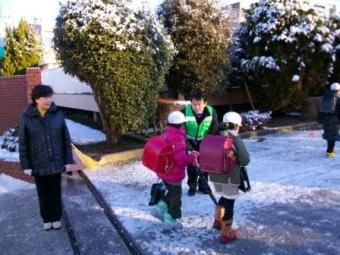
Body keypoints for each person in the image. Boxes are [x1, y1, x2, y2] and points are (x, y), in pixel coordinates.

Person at [19, 84, 73, 231]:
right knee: (43, 193)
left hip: (56, 161)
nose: (48, 100)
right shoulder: (26, 117)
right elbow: (23, 143)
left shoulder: (58, 114)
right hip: (38, 163)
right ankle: (46, 218)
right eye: (45, 97)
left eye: (50, 97)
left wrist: (68, 160)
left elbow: (66, 138)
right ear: (36, 99)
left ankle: (56, 217)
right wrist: (26, 165)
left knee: (55, 192)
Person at [151, 111, 199, 228]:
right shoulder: (178, 139)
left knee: (172, 193)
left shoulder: (166, 134)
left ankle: (159, 208)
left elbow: (174, 153)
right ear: (181, 125)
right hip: (174, 175)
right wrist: (192, 156)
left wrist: (188, 152)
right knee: (176, 198)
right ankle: (171, 219)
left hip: (165, 173)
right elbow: (181, 160)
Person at [209, 111, 250, 243]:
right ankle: (226, 233)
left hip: (215, 175)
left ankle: (217, 221)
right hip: (230, 177)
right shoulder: (234, 138)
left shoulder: (213, 134)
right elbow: (245, 160)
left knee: (224, 197)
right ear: (236, 126)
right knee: (230, 202)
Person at [182, 91, 219, 196]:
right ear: (190, 103)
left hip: (205, 142)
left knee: (204, 165)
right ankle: (192, 186)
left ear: (205, 103)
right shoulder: (184, 112)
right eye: (194, 104)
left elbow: (214, 129)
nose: (196, 107)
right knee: (192, 166)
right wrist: (189, 147)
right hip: (190, 142)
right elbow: (182, 132)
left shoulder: (212, 112)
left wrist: (208, 145)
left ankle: (203, 185)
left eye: (199, 104)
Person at [319, 82, 340, 158]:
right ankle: (330, 152)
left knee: (329, 136)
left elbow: (320, 110)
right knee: (333, 136)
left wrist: (320, 120)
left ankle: (330, 150)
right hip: (334, 120)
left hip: (325, 120)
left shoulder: (325, 97)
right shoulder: (337, 98)